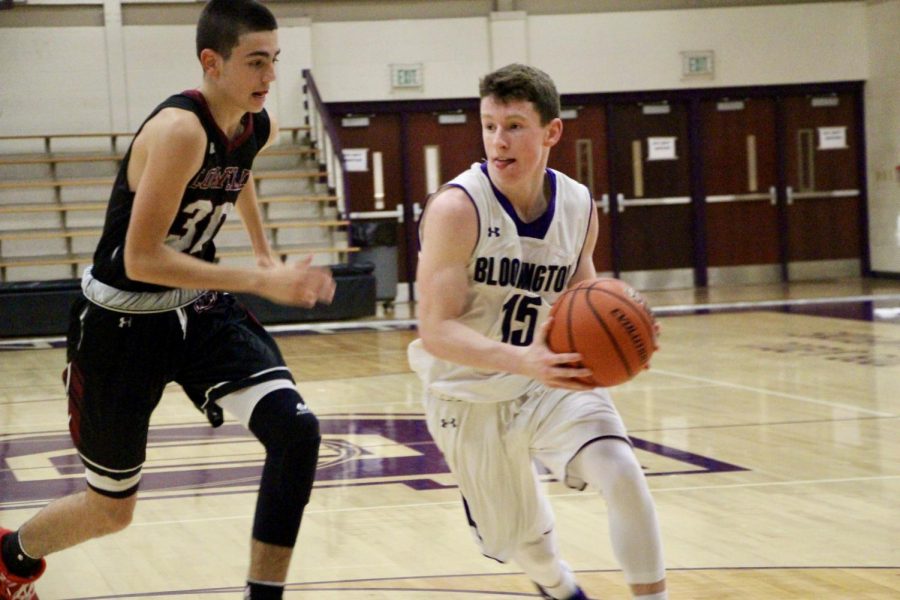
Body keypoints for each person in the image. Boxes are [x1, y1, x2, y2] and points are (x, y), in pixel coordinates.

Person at [0, 1, 335, 598]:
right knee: (111, 510)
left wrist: (262, 250)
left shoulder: (256, 124)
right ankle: (13, 557)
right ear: (212, 61)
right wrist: (259, 280)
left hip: (201, 309)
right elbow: (141, 259)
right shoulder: (180, 130)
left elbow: (243, 168)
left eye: (274, 60)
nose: (270, 76)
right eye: (257, 62)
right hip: (122, 324)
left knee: (297, 433)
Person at [407, 63, 667, 600]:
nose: (498, 141)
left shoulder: (577, 206)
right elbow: (435, 331)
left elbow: (583, 302)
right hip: (468, 390)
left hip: (547, 377)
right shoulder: (457, 209)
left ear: (551, 132)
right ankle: (559, 587)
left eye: (515, 126)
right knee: (529, 544)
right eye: (489, 126)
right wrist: (522, 360)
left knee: (621, 471)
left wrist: (626, 333)